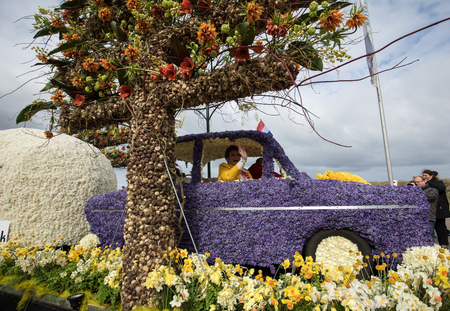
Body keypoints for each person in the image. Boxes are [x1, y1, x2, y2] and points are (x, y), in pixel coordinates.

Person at [423, 169, 450, 248]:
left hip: (439, 209)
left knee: (440, 228)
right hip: (431, 210)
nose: (425, 177)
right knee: (431, 229)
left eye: (426, 176)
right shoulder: (425, 184)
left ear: (431, 176)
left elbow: (442, 188)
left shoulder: (438, 183)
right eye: (423, 176)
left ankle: (444, 244)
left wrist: (428, 184)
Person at [413, 176, 438, 242]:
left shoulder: (432, 190)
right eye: (415, 182)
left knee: (429, 238)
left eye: (418, 182)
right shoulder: (413, 191)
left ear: (424, 181)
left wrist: (416, 191)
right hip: (416, 218)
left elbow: (428, 197)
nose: (417, 183)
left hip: (428, 218)